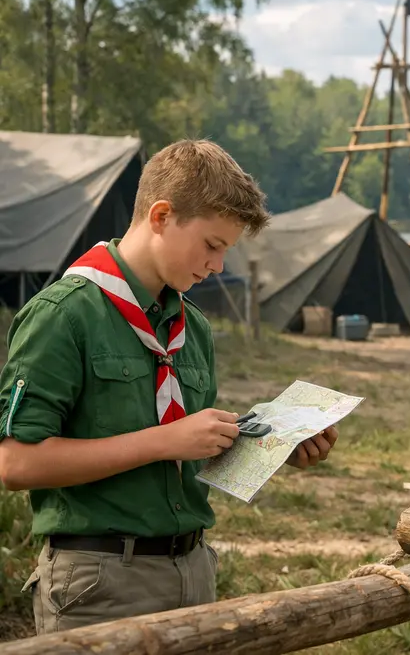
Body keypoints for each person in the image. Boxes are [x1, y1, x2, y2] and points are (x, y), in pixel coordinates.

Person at [0, 139, 341, 635]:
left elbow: (186, 457)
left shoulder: (191, 327)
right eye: (212, 245)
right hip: (100, 581)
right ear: (161, 216)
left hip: (193, 568)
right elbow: (16, 463)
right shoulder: (64, 315)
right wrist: (165, 441)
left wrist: (271, 444)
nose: (218, 265)